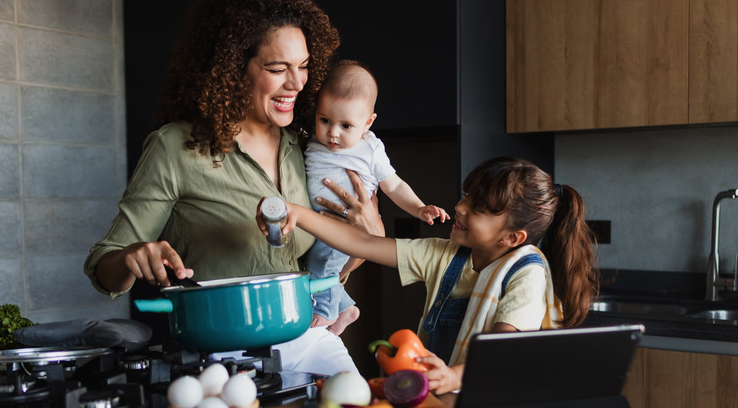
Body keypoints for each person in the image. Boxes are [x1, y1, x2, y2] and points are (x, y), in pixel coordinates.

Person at [83, 0, 384, 376]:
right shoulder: (176, 148)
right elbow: (104, 268)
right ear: (233, 68)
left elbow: (350, 251)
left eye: (304, 66)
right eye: (278, 68)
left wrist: (369, 231)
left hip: (307, 340)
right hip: (222, 359)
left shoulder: (311, 146)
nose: (297, 83)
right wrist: (132, 256)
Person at [257, 156, 599, 393]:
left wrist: (454, 377)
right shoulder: (445, 256)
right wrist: (298, 214)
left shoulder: (527, 273)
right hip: (442, 393)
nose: (460, 207)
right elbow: (361, 243)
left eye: (477, 208)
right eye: (466, 196)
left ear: (512, 238)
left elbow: (503, 352)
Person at [304, 60, 449, 335]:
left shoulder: (369, 149)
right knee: (320, 267)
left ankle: (324, 311)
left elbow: (393, 186)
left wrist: (418, 208)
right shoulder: (313, 139)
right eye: (324, 120)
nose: (332, 133)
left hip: (346, 225)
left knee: (321, 265)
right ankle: (345, 308)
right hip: (321, 223)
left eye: (346, 125)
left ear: (368, 122)